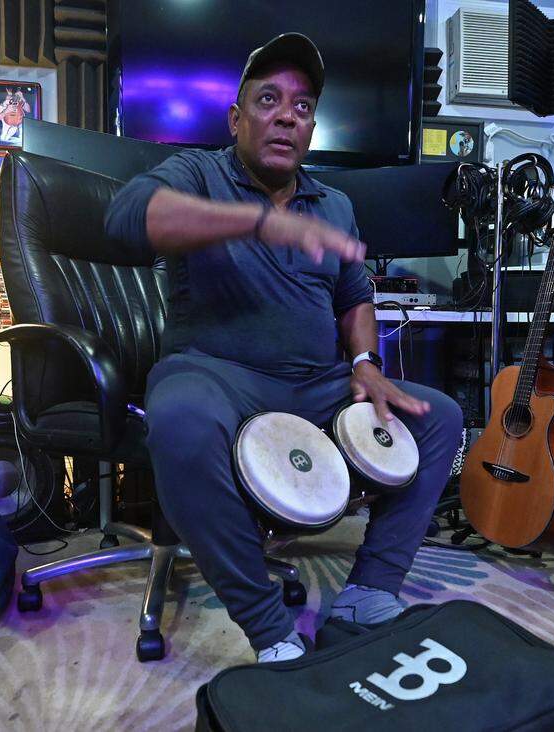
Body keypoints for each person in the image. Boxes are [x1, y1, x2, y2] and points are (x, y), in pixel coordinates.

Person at [105, 33, 463, 663]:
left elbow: (355, 295)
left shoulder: (336, 204)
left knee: (439, 420)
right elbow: (129, 218)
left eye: (302, 107)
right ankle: (271, 632)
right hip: (215, 374)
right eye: (269, 99)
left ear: (312, 127)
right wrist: (259, 220)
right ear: (236, 118)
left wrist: (365, 363)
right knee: (180, 421)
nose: (286, 116)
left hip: (317, 384)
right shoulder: (197, 172)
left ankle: (369, 590)